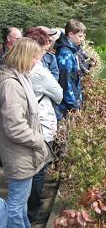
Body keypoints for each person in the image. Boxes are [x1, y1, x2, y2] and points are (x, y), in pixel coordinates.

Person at [0, 37, 49, 228]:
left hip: (24, 152)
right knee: (16, 205)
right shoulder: (11, 84)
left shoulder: (21, 77)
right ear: (24, 57)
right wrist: (38, 140)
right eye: (35, 58)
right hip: (19, 153)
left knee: (20, 203)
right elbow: (14, 126)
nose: (37, 61)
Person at [24, 27, 63, 225]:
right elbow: (59, 94)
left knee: (29, 167)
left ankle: (27, 210)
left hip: (25, 126)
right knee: (40, 168)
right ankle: (34, 212)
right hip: (40, 126)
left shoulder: (13, 65)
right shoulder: (38, 70)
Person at [55, 19, 86, 119]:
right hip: (66, 106)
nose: (82, 39)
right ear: (71, 34)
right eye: (80, 36)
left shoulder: (72, 51)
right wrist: (73, 105)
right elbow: (65, 82)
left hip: (72, 102)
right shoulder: (65, 54)